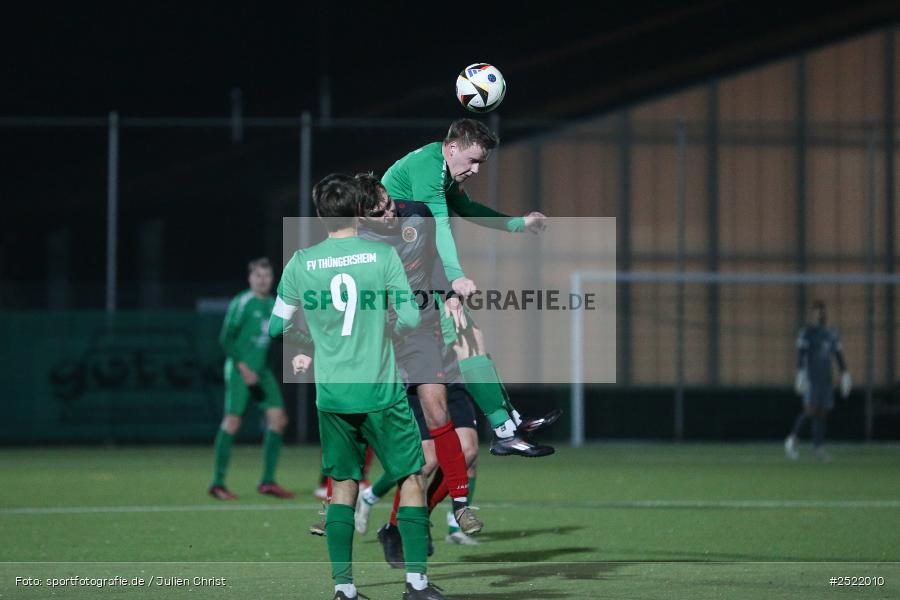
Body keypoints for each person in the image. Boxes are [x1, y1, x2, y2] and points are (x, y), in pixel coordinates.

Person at [269, 173, 448, 600]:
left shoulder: (300, 262)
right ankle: (416, 585)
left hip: (332, 393)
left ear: (320, 216)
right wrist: (387, 329)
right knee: (410, 479)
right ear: (356, 212)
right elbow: (407, 318)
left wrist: (317, 342)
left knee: (342, 485)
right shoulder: (381, 256)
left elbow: (277, 327)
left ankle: (345, 590)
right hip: (382, 390)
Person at [381, 119, 561, 455]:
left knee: (470, 339)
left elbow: (466, 209)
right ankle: (505, 429)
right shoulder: (427, 167)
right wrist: (455, 277)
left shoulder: (441, 168)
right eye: (473, 160)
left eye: (481, 162)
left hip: (417, 268)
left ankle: (509, 422)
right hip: (403, 277)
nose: (476, 170)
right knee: (462, 345)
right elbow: (442, 228)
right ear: (451, 149)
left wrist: (519, 224)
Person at [209, 258, 293, 500]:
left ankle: (267, 481)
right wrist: (244, 368)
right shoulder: (242, 302)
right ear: (250, 278)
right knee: (233, 422)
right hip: (239, 370)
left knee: (278, 420)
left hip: (263, 371)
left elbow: (281, 335)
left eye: (267, 276)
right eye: (258, 276)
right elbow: (226, 339)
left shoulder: (274, 304)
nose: (263, 280)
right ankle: (217, 482)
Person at [785, 300, 852, 461]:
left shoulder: (831, 333)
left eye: (823, 312)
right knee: (810, 410)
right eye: (818, 312)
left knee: (822, 413)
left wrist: (845, 373)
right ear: (813, 314)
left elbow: (838, 355)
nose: (821, 315)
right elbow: (801, 353)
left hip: (826, 379)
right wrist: (800, 372)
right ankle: (792, 440)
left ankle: (818, 447)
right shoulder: (807, 332)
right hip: (812, 378)